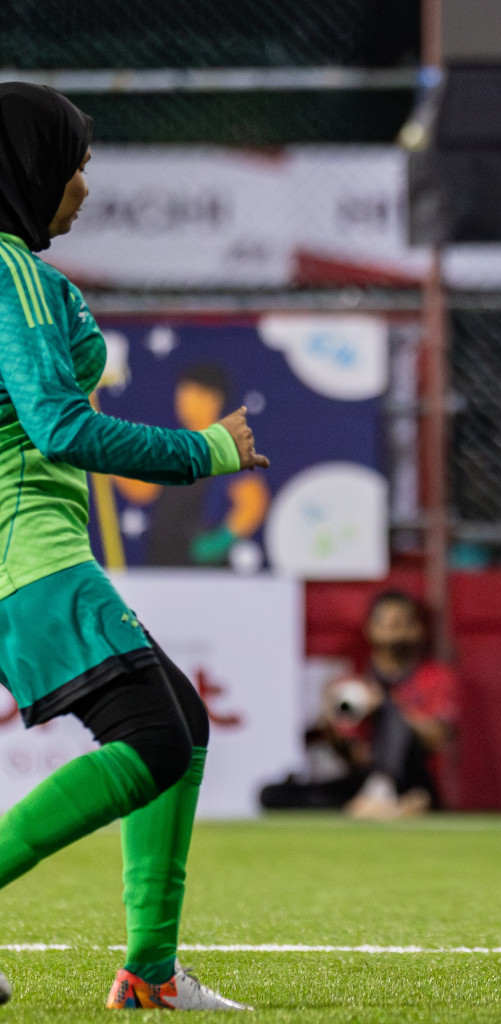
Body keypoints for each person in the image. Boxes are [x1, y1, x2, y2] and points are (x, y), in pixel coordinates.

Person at [0, 83, 263, 1010]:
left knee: (180, 729)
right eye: (74, 165)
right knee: (152, 740)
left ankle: (150, 972)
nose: (82, 188)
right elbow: (59, 426)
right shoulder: (9, 268)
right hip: (25, 554)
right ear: (27, 169)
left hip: (21, 558)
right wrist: (207, 451)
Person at [260, 591, 458, 817]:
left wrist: (388, 705)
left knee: (393, 717)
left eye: (401, 623)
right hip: (364, 780)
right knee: (272, 795)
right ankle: (374, 807)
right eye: (386, 623)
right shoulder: (351, 683)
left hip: (412, 779)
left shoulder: (435, 679)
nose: (392, 630)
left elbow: (437, 738)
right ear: (370, 628)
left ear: (417, 629)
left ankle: (388, 797)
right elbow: (349, 754)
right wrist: (333, 726)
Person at [115, 364, 271, 567]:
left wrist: (221, 540)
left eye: (195, 394)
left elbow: (253, 502)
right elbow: (145, 491)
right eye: (183, 393)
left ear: (215, 400)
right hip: (162, 560)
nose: (185, 401)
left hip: (201, 568)